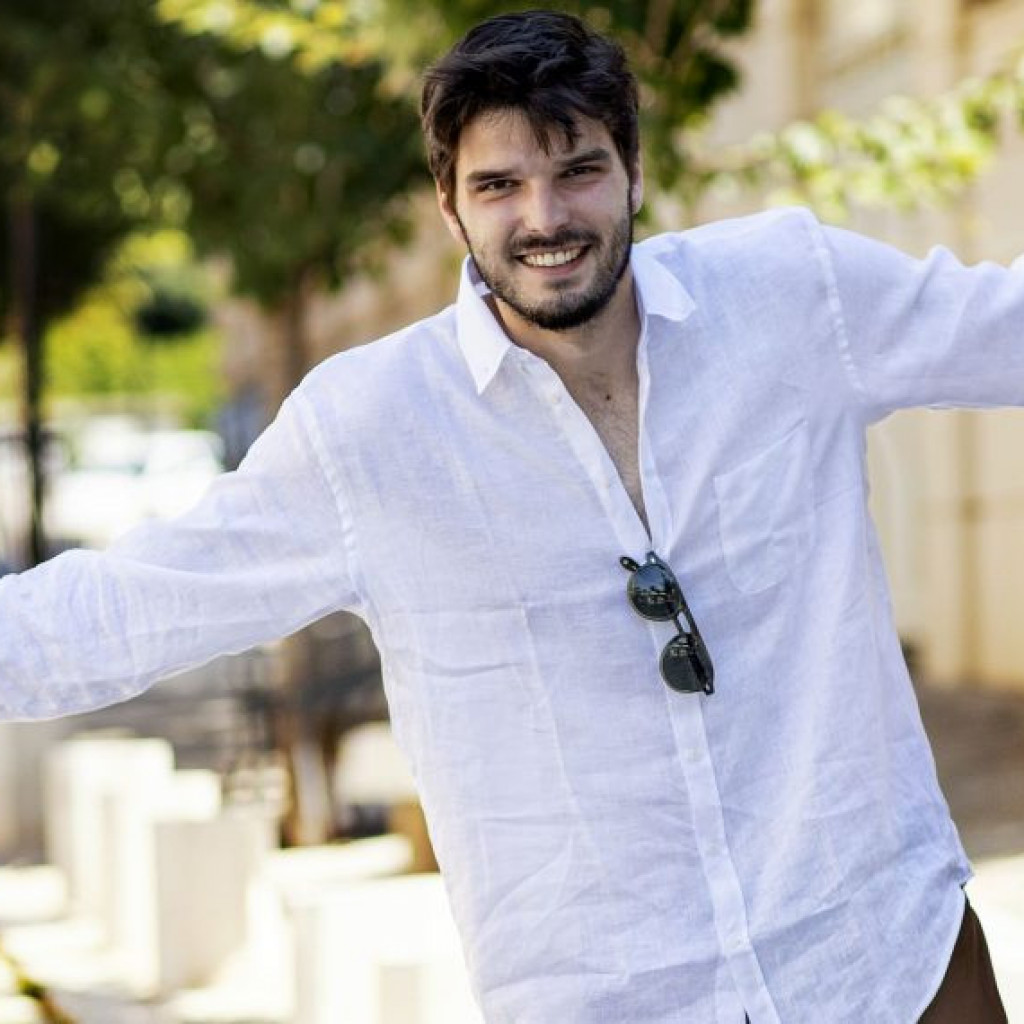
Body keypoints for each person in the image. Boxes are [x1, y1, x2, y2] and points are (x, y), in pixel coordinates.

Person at [0, 10, 1014, 1023]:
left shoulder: (793, 295)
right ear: (449, 205)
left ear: (634, 171)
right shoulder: (368, 429)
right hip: (609, 999)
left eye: (578, 170)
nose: (544, 218)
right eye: (498, 185)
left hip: (888, 958)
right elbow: (132, 607)